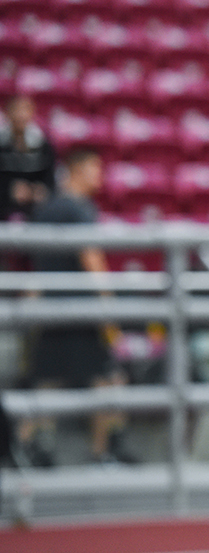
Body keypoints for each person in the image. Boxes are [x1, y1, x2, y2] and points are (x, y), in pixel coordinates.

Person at [17, 148, 135, 467]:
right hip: (83, 313)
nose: (100, 176)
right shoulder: (81, 209)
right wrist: (110, 313)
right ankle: (102, 455)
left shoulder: (45, 209)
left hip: (51, 311)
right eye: (95, 169)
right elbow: (92, 260)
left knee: (48, 383)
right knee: (108, 381)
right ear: (77, 170)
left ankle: (21, 450)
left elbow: (37, 265)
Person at [0, 94, 56, 222]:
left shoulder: (43, 145)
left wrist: (37, 191)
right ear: (7, 113)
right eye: (16, 110)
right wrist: (9, 190)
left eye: (25, 110)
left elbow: (49, 182)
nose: (21, 115)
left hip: (35, 213)